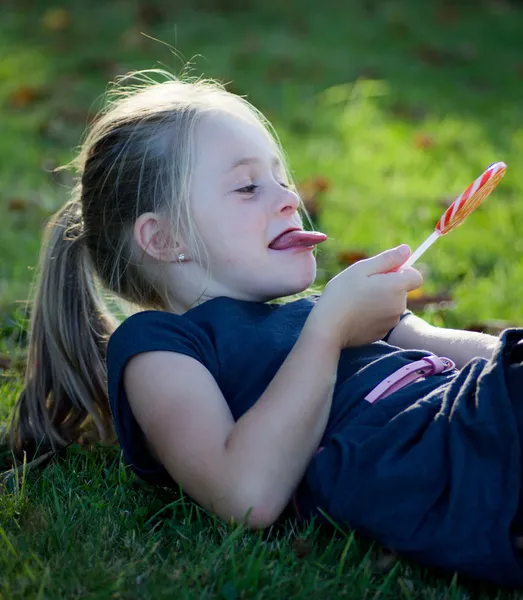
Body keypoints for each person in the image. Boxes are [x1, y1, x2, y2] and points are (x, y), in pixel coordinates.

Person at [7, 69, 523, 588]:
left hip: (476, 408)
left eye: (281, 178)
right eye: (248, 186)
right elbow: (245, 493)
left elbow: (463, 355)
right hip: (433, 455)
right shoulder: (158, 345)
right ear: (162, 238)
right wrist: (329, 330)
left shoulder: (321, 309)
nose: (287, 197)